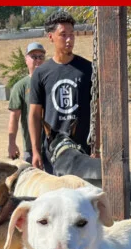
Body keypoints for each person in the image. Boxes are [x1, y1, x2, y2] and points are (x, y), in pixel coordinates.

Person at [29, 10, 94, 172]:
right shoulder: (41, 73)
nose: (69, 39)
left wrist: (97, 148)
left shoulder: (88, 69)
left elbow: (97, 111)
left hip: (83, 153)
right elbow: (35, 115)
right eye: (63, 34)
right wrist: (36, 151)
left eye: (72, 34)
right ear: (50, 37)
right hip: (53, 154)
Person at [7, 42, 46, 163]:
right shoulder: (20, 86)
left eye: (41, 57)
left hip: (53, 147)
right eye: (34, 57)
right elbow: (14, 117)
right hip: (31, 147)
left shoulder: (51, 81)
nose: (38, 60)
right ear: (26, 60)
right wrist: (12, 143)